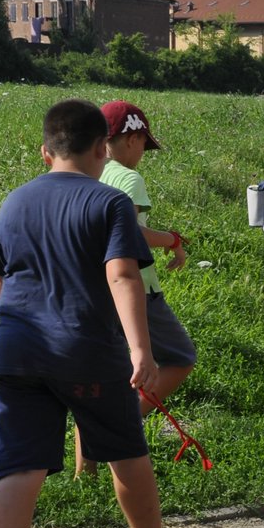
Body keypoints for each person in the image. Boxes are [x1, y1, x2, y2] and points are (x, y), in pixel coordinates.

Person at [0, 99, 199, 528]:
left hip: (15, 351)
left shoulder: (15, 201)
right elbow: (123, 276)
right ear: (102, 148)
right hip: (85, 350)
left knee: (19, 463)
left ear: (45, 150)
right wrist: (141, 349)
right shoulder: (108, 202)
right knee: (125, 447)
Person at [72, 100, 199, 478]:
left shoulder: (84, 174)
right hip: (136, 288)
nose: (144, 152)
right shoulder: (129, 179)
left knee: (96, 379)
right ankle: (121, 423)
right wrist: (172, 239)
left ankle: (85, 475)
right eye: (144, 143)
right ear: (131, 138)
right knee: (179, 356)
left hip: (94, 288)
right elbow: (131, 233)